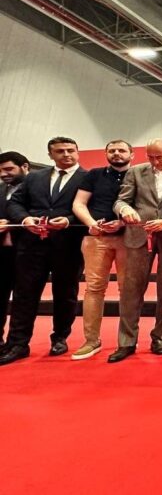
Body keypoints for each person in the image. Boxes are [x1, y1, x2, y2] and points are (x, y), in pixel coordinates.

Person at [0, 137, 87, 366]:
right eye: (60, 151)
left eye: (70, 150)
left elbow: (94, 208)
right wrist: (25, 219)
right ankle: (18, 344)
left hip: (68, 246)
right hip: (31, 245)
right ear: (50, 155)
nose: (66, 154)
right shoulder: (34, 177)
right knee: (24, 295)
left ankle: (60, 338)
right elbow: (14, 203)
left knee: (65, 294)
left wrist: (68, 220)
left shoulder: (88, 177)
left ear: (77, 152)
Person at [107, 139, 162, 363]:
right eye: (151, 157)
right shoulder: (135, 172)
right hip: (138, 236)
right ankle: (126, 342)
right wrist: (125, 209)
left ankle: (159, 337)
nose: (155, 162)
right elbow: (120, 201)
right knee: (131, 290)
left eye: (160, 157)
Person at [70, 140, 134, 360]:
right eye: (112, 150)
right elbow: (79, 204)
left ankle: (126, 342)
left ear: (131, 154)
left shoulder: (139, 175)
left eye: (121, 150)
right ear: (106, 153)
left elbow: (145, 206)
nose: (116, 153)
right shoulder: (94, 174)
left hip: (128, 239)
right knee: (94, 288)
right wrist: (91, 224)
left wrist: (123, 223)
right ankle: (91, 341)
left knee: (128, 290)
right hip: (95, 238)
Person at [0, 151, 29, 347]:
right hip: (2, 253)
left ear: (24, 167)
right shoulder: (1, 189)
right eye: (0, 171)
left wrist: (12, 224)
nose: (4, 174)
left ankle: (17, 343)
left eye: (9, 169)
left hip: (28, 251)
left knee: (23, 300)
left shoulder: (38, 188)